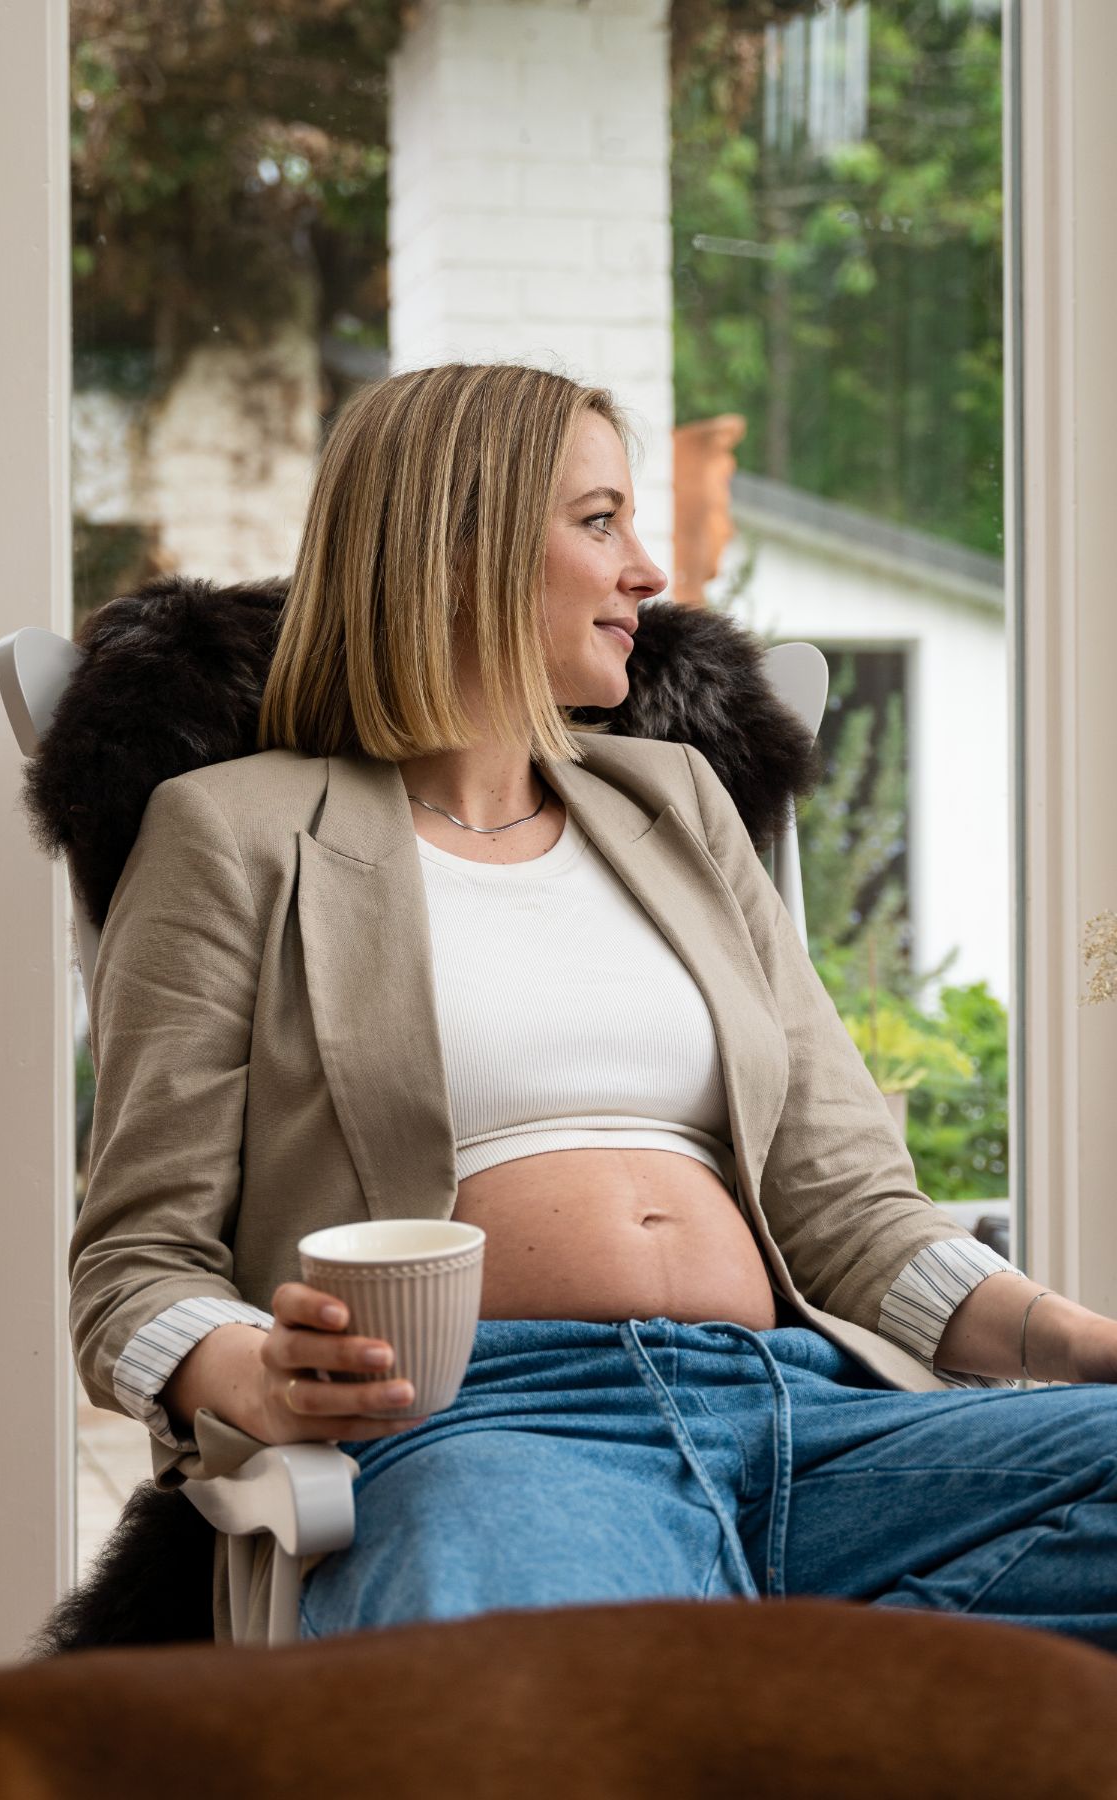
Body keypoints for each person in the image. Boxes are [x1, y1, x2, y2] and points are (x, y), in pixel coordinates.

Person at [70, 360, 1117, 1650]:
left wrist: (1078, 1342)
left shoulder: (677, 805)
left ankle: (756, 1686)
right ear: (460, 547)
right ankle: (810, 1681)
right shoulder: (236, 833)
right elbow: (133, 1267)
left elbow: (851, 1212)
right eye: (602, 521)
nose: (650, 574)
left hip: (822, 1421)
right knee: (523, 1680)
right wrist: (257, 1382)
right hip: (497, 1431)